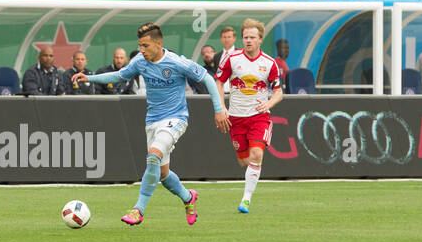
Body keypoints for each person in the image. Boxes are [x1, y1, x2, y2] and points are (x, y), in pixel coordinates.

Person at [72, 23, 229, 226]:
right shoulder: (140, 61)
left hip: (176, 118)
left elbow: (208, 79)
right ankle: (189, 198)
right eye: (140, 46)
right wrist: (89, 77)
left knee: (153, 155)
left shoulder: (176, 62)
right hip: (153, 121)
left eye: (145, 45)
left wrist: (218, 110)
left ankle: (139, 209)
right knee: (162, 174)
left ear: (159, 43)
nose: (142, 50)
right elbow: (119, 76)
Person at [216, 19, 283, 214]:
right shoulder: (232, 59)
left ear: (260, 39)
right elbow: (218, 83)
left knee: (257, 154)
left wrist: (268, 104)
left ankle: (246, 199)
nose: (248, 41)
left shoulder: (269, 63)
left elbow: (279, 92)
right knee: (244, 161)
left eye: (252, 37)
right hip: (236, 117)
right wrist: (220, 108)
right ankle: (250, 182)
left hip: (259, 116)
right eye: (245, 37)